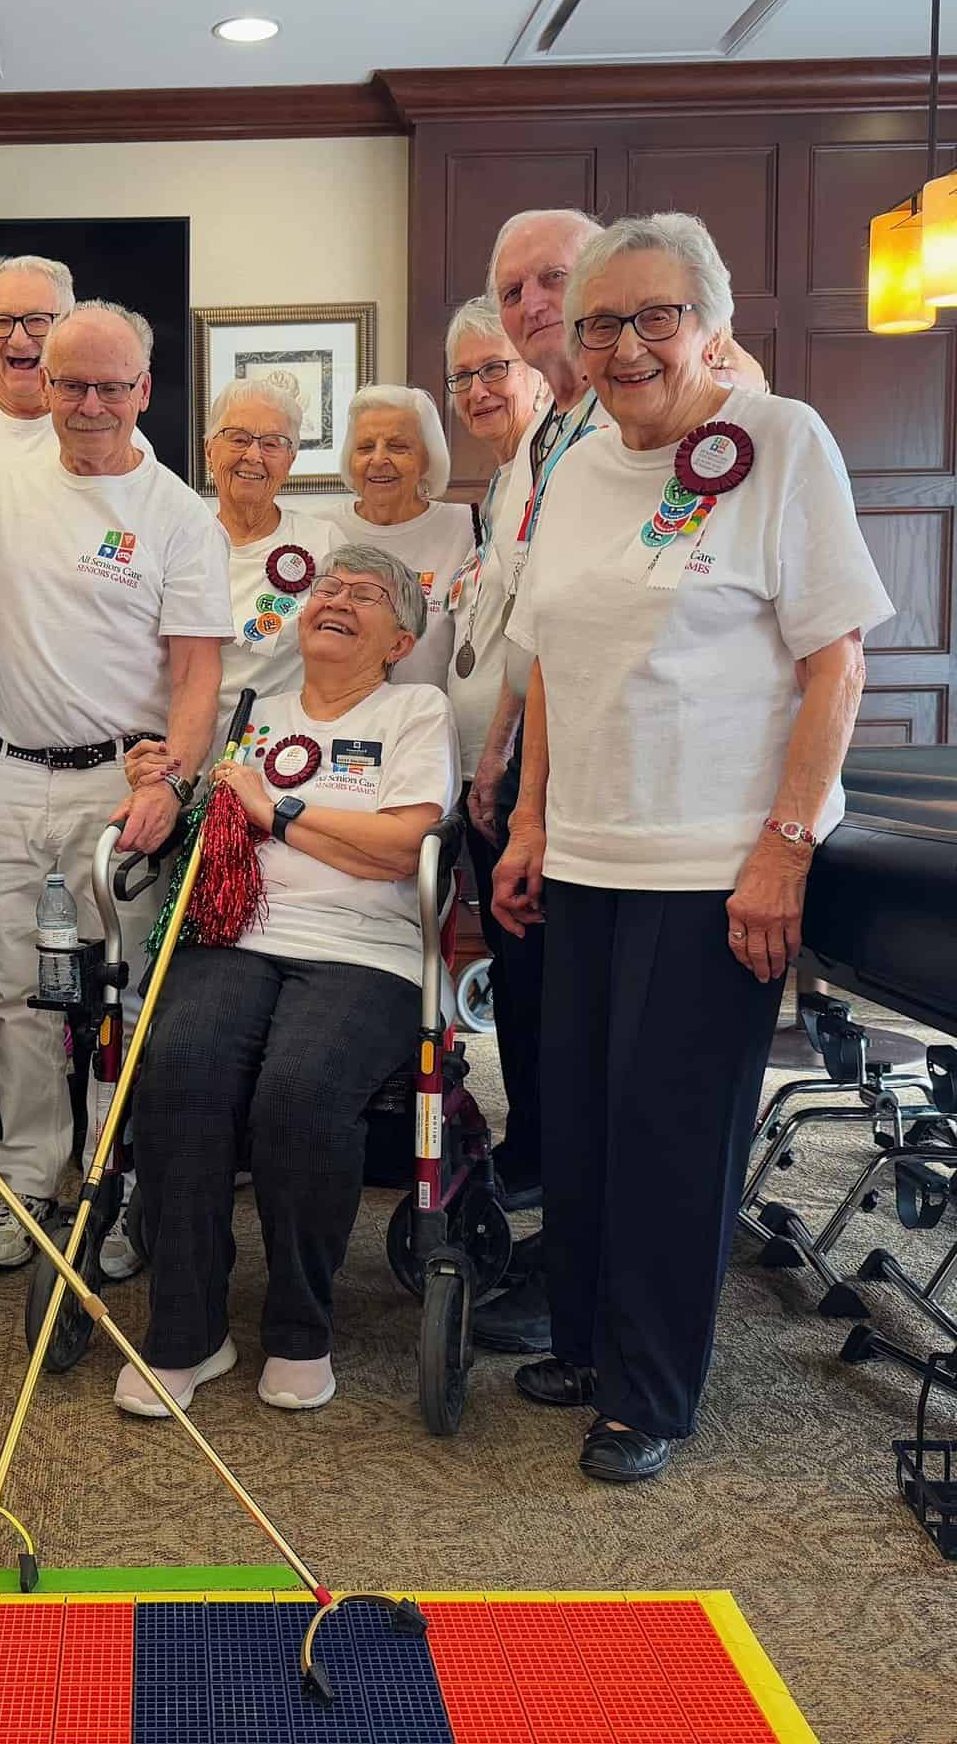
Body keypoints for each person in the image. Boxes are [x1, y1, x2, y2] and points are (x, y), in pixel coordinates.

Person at [493, 212, 891, 1483]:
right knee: (584, 1120)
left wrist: (784, 845)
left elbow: (837, 658)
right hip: (588, 851)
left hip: (714, 863)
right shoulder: (579, 464)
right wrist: (532, 819)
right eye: (602, 321)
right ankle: (583, 1344)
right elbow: (553, 655)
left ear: (713, 326)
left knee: (672, 1133)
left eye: (654, 317)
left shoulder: (781, 443)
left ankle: (651, 1389)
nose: (624, 344)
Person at [119, 545, 456, 1416]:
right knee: (180, 1063)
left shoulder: (415, 710)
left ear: (401, 637)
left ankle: (302, 1324)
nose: (336, 599)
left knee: (301, 1091)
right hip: (237, 934)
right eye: (326, 589)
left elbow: (403, 845)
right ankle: (187, 1330)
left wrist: (280, 813)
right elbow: (212, 827)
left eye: (367, 594)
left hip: (368, 950)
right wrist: (162, 782)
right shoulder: (253, 712)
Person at [0, 300, 231, 1270]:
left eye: (108, 386)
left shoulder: (177, 515)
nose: (86, 403)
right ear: (42, 383)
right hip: (6, 776)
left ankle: (111, 1188)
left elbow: (198, 671)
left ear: (143, 392)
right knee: (18, 997)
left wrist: (174, 782)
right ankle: (27, 1179)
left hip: (122, 792)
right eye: (68, 382)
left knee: (121, 1003)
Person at [466, 207, 605, 1353]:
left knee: (581, 1023)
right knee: (538, 1009)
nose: (531, 304)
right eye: (515, 289)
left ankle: (580, 1267)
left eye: (552, 280)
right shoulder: (538, 441)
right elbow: (524, 612)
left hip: (606, 782)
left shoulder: (651, 415)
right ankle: (551, 1205)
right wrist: (497, 750)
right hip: (528, 766)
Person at [440, 296, 549, 1227]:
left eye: (494, 369)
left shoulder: (556, 466)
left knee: (539, 979)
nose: (477, 389)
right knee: (516, 982)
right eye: (463, 375)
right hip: (492, 769)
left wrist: (498, 760)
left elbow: (537, 639)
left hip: (520, 775)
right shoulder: (504, 480)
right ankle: (533, 1145)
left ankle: (548, 1155)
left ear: (539, 371)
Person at [0, 254, 154, 506]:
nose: (17, 339)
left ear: (68, 329)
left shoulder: (116, 437)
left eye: (37, 320)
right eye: (2, 321)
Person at [198, 370, 346, 744]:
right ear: (209, 450)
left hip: (288, 750)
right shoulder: (181, 540)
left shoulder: (322, 542)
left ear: (290, 459)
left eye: (273, 443)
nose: (253, 455)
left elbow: (354, 656)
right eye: (238, 438)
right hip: (189, 746)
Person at [309, 386, 471, 689]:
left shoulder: (467, 527)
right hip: (336, 722)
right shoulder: (319, 529)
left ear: (427, 459)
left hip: (428, 722)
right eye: (365, 447)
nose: (379, 459)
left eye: (398, 447)